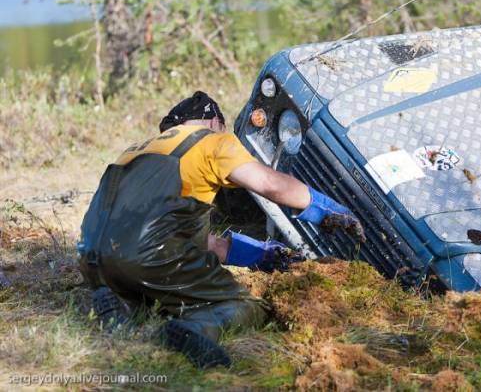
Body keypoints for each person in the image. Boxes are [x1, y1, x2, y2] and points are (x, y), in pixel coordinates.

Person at [77, 91, 362, 369]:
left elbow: (180, 238)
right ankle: (195, 330)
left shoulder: (135, 152)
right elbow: (271, 185)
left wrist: (258, 255)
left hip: (95, 261)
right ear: (214, 122)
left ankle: (122, 306)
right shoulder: (212, 141)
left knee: (152, 292)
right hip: (151, 261)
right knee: (245, 306)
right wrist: (324, 208)